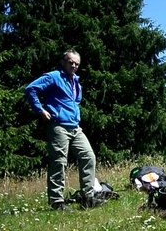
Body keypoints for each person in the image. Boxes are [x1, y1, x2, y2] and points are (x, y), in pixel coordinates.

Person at [25, 49, 103, 210]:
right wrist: (40, 110)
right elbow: (31, 89)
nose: (73, 65)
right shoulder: (53, 77)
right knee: (59, 162)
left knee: (89, 156)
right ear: (63, 62)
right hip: (59, 126)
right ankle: (56, 202)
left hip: (75, 127)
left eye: (76, 63)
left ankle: (88, 197)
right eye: (70, 62)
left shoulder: (76, 82)